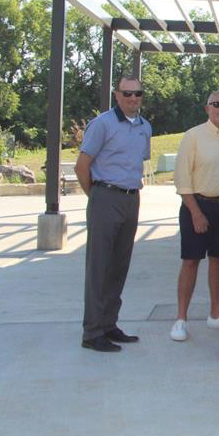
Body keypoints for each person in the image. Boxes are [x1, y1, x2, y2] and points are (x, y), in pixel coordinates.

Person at [75, 75, 152, 352]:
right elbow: (81, 166)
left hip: (132, 198)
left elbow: (138, 162)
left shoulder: (145, 127)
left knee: (119, 264)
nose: (133, 99)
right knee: (99, 267)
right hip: (106, 196)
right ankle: (92, 331)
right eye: (127, 94)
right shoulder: (102, 124)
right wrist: (96, 197)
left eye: (138, 94)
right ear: (116, 95)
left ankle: (109, 324)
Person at [170, 90, 219, 342]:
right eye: (216, 104)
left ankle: (216, 314)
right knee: (191, 261)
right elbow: (182, 179)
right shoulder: (193, 136)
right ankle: (181, 319)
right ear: (207, 108)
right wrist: (195, 213)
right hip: (197, 205)